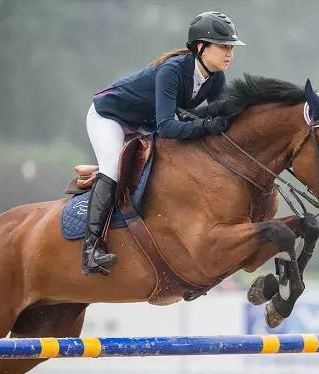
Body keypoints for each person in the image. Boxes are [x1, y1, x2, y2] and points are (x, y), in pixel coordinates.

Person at [83, 11, 245, 275]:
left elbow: (220, 115)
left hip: (142, 124)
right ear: (201, 47)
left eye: (231, 48)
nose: (230, 53)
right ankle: (91, 250)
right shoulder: (172, 70)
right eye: (223, 47)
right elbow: (167, 127)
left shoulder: (215, 77)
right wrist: (205, 126)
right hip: (110, 117)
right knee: (112, 169)